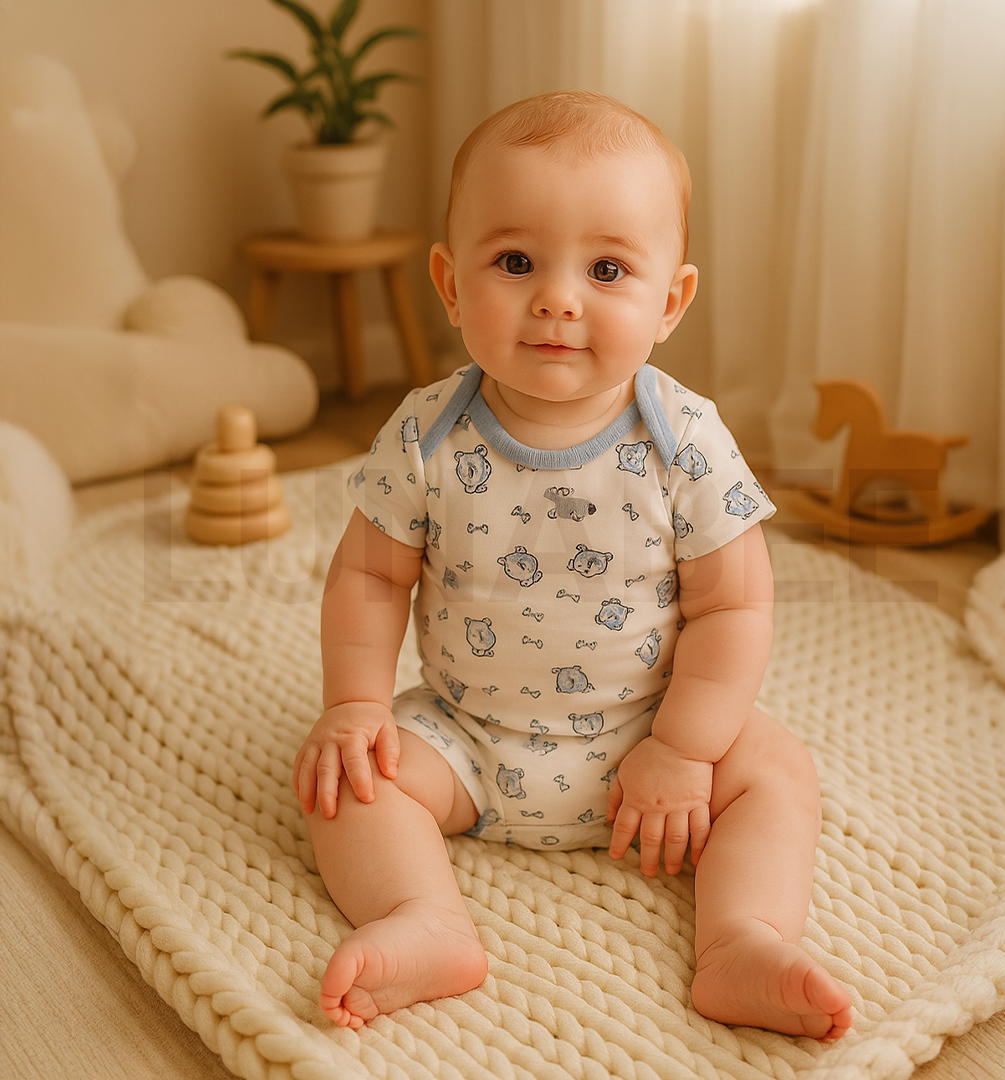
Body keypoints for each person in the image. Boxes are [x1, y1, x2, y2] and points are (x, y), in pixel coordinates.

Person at [293, 89, 853, 1040]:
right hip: (467, 738)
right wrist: (353, 704)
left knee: (777, 772)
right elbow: (370, 578)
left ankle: (742, 938)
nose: (558, 297)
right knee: (346, 781)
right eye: (515, 261)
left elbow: (735, 609)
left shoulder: (688, 442)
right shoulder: (426, 434)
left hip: (652, 739)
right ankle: (422, 919)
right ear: (450, 283)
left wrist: (684, 749)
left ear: (670, 301)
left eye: (606, 268)